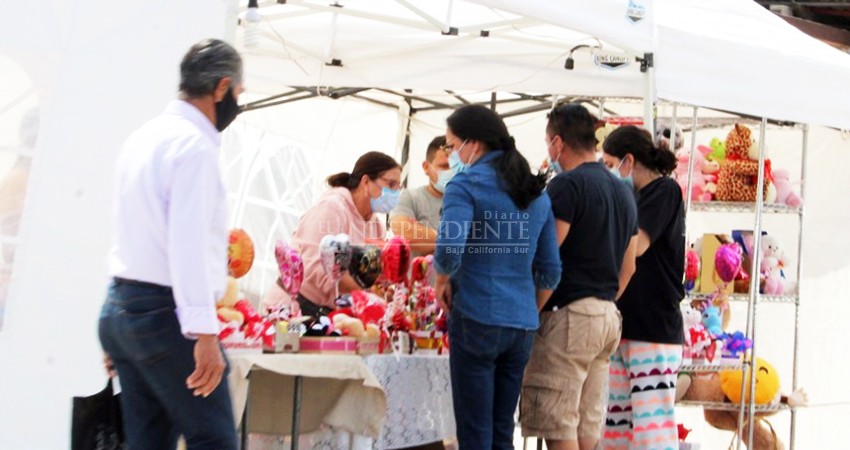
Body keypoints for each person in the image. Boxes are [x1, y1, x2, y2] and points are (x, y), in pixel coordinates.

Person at [98, 39, 243, 450]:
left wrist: (123, 325)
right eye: (237, 94)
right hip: (165, 314)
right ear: (222, 87)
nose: (236, 102)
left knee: (149, 441)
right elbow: (188, 245)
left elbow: (127, 229)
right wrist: (205, 333)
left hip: (124, 305)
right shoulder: (193, 148)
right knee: (213, 439)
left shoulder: (143, 136)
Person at [434, 104, 562, 450]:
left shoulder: (465, 185)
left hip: (476, 316)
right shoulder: (535, 193)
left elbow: (448, 250)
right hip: (520, 324)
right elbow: (550, 270)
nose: (452, 154)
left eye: (451, 145)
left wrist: (442, 280)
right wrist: (527, 309)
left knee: (475, 434)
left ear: (473, 144)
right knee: (502, 433)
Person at [520, 103, 638, 450]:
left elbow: (546, 257)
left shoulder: (566, 186)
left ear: (557, 142)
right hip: (606, 317)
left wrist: (533, 310)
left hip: (569, 316)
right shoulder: (623, 191)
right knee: (587, 426)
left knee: (559, 426)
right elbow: (628, 267)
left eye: (547, 142)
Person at [599, 125, 684, 450]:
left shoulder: (664, 192)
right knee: (616, 430)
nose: (608, 174)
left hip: (654, 330)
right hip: (623, 326)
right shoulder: (629, 196)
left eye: (609, 165)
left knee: (652, 431)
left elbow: (638, 247)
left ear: (628, 161)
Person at [292, 151, 401, 316]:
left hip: (339, 315)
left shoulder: (376, 226)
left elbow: (371, 275)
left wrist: (383, 290)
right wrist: (366, 291)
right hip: (301, 309)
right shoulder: (332, 208)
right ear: (366, 181)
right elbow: (312, 266)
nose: (395, 193)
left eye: (399, 187)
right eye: (391, 184)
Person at [389, 135, 448, 255]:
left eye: (456, 167)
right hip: (418, 274)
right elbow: (404, 233)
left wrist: (424, 235)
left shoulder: (472, 201)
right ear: (426, 167)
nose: (451, 172)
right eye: (444, 166)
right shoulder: (410, 197)